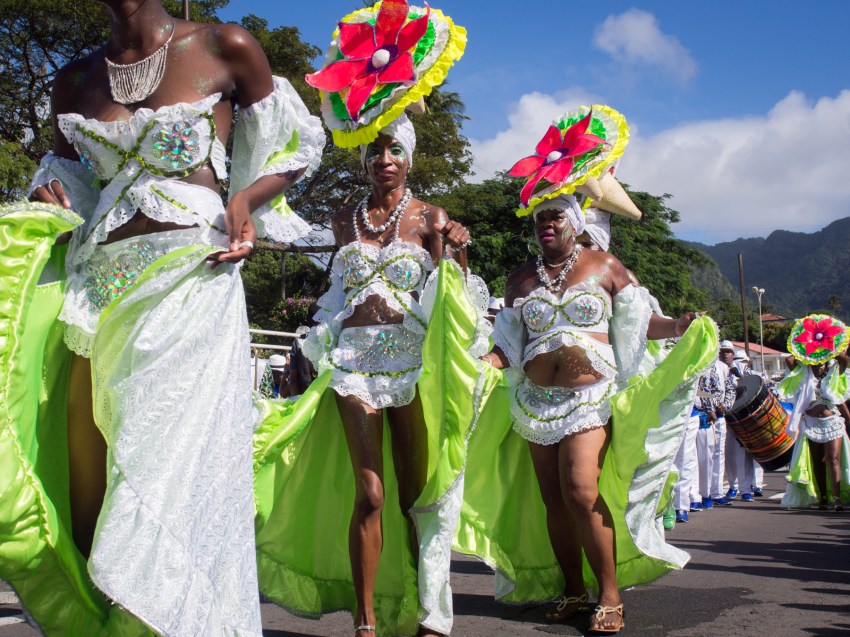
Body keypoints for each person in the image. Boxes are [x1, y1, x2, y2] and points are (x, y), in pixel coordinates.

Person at [5, 0, 325, 633]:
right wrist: (52, 191)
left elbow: (294, 146)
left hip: (190, 280)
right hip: (94, 295)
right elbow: (68, 176)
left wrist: (245, 198)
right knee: (89, 474)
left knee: (164, 465)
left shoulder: (223, 45)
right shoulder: (73, 80)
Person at [250, 3, 479, 636]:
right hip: (352, 366)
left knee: (414, 496)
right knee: (370, 494)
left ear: (409, 158)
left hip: (410, 364)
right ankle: (367, 618)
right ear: (365, 159)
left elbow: (453, 297)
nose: (385, 159)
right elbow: (323, 284)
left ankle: (422, 603)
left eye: (395, 150)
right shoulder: (343, 221)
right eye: (376, 150)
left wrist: (452, 249)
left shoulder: (432, 218)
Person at [465, 106, 715, 634]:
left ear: (575, 221)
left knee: (581, 490)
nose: (547, 224)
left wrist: (680, 326)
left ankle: (609, 593)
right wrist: (482, 364)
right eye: (540, 218)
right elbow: (508, 342)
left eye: (556, 216)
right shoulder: (519, 280)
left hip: (588, 397)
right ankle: (574, 591)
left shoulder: (603, 267)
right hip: (534, 403)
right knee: (552, 499)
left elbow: (642, 323)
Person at [779, 315, 850, 511]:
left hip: (832, 422)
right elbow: (789, 358)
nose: (818, 367)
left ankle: (836, 499)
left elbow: (844, 359)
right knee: (818, 461)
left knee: (833, 458)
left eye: (821, 363)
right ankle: (822, 497)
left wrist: (829, 349)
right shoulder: (803, 371)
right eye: (815, 363)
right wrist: (807, 350)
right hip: (810, 423)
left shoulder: (834, 371)